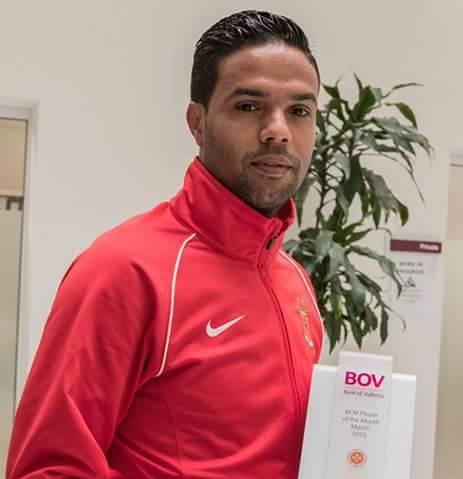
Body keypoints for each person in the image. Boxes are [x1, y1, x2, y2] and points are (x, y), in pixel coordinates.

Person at [6, 10, 324, 479]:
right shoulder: (124, 271)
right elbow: (47, 469)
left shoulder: (294, 282)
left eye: (299, 111)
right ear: (198, 122)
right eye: (248, 106)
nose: (278, 130)